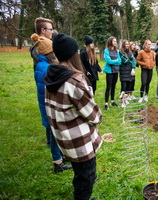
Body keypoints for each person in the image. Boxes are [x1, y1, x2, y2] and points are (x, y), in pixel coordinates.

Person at [44, 33, 102, 200]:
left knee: (80, 174)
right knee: (87, 178)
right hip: (80, 143)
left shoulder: (50, 77)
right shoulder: (74, 82)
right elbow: (93, 114)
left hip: (64, 140)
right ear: (73, 54)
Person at [30, 33, 72, 173]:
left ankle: (60, 156)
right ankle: (58, 164)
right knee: (55, 135)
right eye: (53, 52)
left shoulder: (41, 65)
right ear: (49, 53)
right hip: (49, 107)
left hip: (46, 106)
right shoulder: (46, 68)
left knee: (55, 133)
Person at [30, 17, 54, 146]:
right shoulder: (38, 46)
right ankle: (50, 141)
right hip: (43, 79)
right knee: (47, 110)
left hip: (43, 77)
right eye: (50, 29)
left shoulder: (46, 43)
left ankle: (50, 140)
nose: (52, 31)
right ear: (43, 30)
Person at [103, 36, 122, 110]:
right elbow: (108, 61)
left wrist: (115, 61)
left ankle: (112, 101)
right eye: (114, 41)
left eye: (116, 41)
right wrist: (116, 61)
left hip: (116, 71)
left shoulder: (116, 51)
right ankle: (106, 104)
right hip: (109, 71)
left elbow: (120, 61)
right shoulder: (106, 50)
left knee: (114, 86)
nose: (115, 42)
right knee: (108, 87)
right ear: (110, 42)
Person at [119, 40, 136, 107]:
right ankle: (122, 102)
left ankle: (125, 99)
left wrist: (133, 68)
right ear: (123, 45)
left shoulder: (130, 52)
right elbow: (126, 61)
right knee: (124, 87)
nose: (127, 45)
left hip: (129, 71)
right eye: (126, 44)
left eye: (128, 44)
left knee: (128, 87)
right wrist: (132, 63)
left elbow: (134, 60)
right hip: (123, 71)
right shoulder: (121, 52)